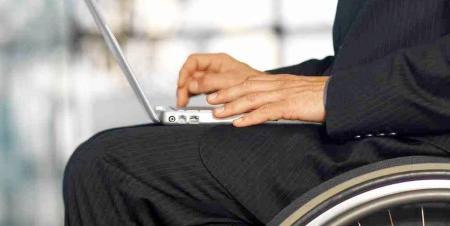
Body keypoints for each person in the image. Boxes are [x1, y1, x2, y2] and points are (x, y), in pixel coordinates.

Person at [63, 1, 450, 225]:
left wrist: (331, 94)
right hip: (381, 134)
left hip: (408, 148)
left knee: (110, 172)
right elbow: (384, 53)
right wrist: (261, 84)